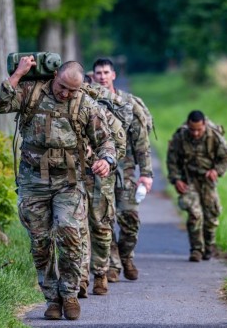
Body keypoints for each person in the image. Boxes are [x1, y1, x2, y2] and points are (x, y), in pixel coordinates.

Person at [0, 57, 117, 321]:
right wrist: (19, 74)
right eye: (62, 86)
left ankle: (69, 294)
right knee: (40, 243)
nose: (65, 93)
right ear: (55, 75)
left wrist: (106, 160)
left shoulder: (84, 104)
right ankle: (51, 298)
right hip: (32, 180)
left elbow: (106, 140)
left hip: (68, 181)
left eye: (72, 90)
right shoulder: (31, 91)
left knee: (70, 234)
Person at [92, 58, 153, 282]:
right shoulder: (88, 102)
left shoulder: (128, 103)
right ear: (93, 75)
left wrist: (146, 174)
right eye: (98, 73)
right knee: (103, 221)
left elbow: (141, 143)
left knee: (130, 218)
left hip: (125, 172)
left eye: (106, 72)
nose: (102, 76)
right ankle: (113, 264)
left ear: (113, 75)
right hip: (99, 173)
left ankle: (126, 256)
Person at [78, 79, 128, 297]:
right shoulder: (66, 113)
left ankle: (100, 274)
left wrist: (103, 160)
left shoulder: (103, 114)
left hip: (100, 179)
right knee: (77, 228)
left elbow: (120, 147)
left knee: (100, 226)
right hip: (73, 176)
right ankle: (80, 277)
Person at [166, 110, 227, 262]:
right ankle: (196, 249)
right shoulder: (181, 137)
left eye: (199, 130)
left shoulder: (213, 136)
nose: (195, 133)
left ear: (204, 126)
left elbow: (226, 156)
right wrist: (176, 180)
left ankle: (208, 246)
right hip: (189, 180)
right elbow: (172, 160)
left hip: (207, 180)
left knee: (211, 216)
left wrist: (217, 171)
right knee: (195, 214)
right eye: (192, 129)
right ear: (188, 126)